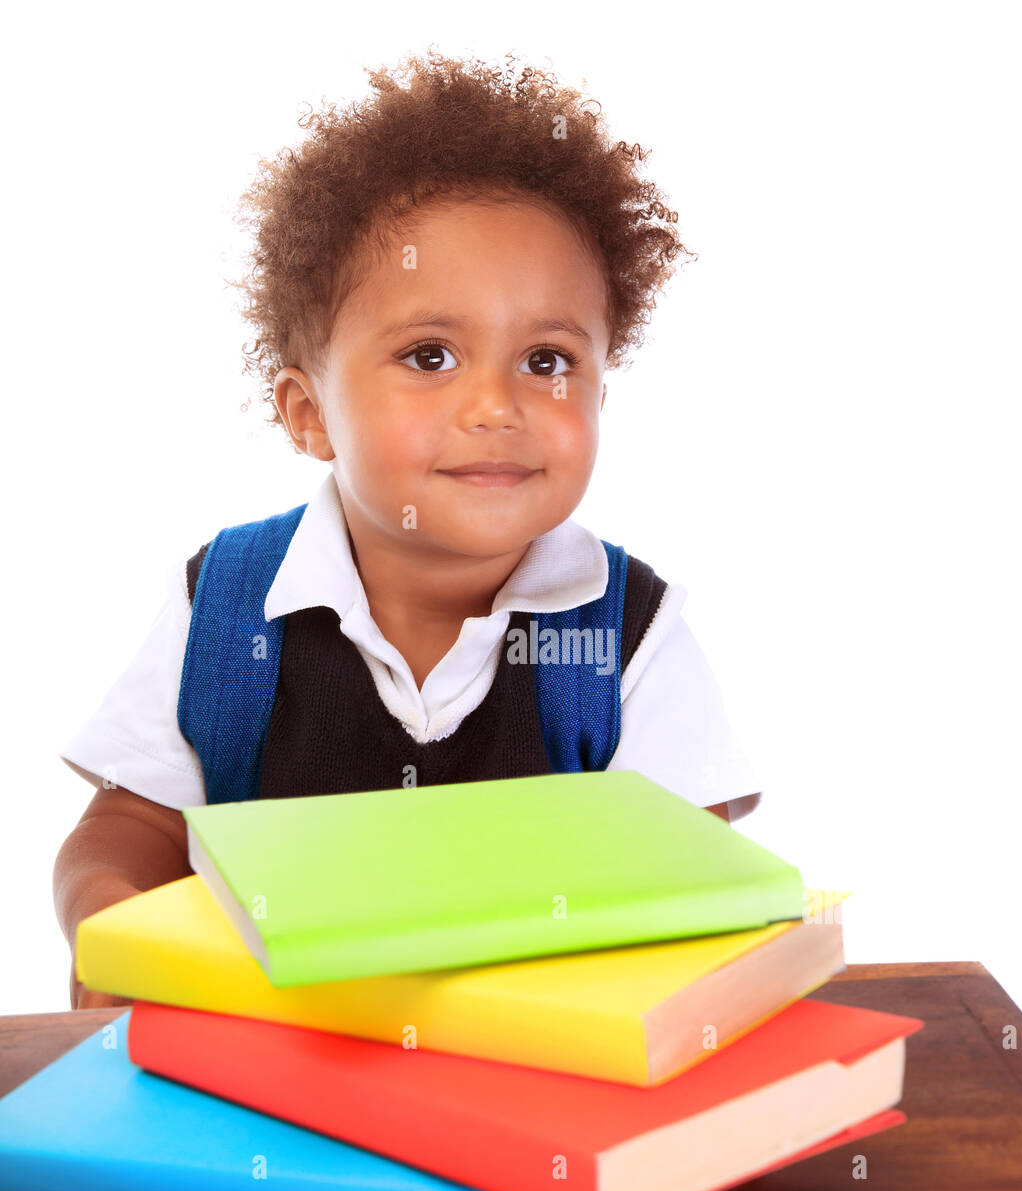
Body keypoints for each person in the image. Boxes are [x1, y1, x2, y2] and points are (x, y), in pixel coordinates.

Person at [54, 50, 763, 1010]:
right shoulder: (224, 609)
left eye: (546, 359)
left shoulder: (627, 632)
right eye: (430, 355)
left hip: (534, 1076)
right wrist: (115, 930)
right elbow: (125, 835)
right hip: (268, 1073)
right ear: (308, 413)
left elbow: (698, 876)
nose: (497, 404)